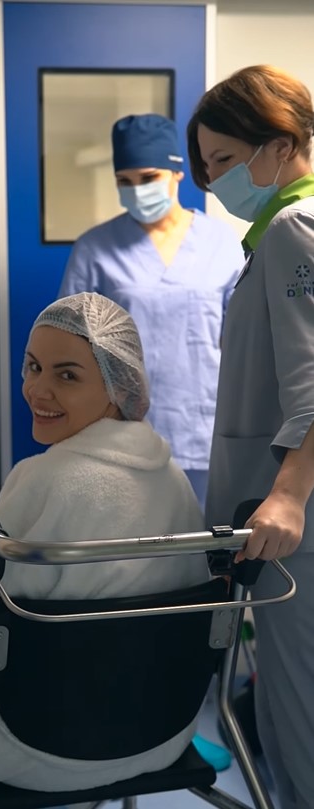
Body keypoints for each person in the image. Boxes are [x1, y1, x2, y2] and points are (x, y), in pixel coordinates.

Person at [0, 292, 209, 801]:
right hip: (162, 735)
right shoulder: (174, 479)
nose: (37, 389)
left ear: (119, 385)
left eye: (67, 375)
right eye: (32, 367)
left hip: (38, 748)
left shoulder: (43, 477)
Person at [187, 64, 314, 809]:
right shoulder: (275, 235)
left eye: (226, 160)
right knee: (283, 713)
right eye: (206, 168)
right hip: (281, 526)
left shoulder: (295, 229)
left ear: (281, 144)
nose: (215, 182)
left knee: (295, 725)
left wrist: (289, 494)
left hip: (294, 530)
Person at [59, 113, 244, 510]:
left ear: (177, 172)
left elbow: (245, 341)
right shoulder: (95, 248)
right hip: (119, 430)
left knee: (205, 538)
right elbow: (67, 348)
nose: (137, 190)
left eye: (148, 178)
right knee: (129, 539)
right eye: (124, 181)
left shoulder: (221, 242)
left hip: (205, 424)